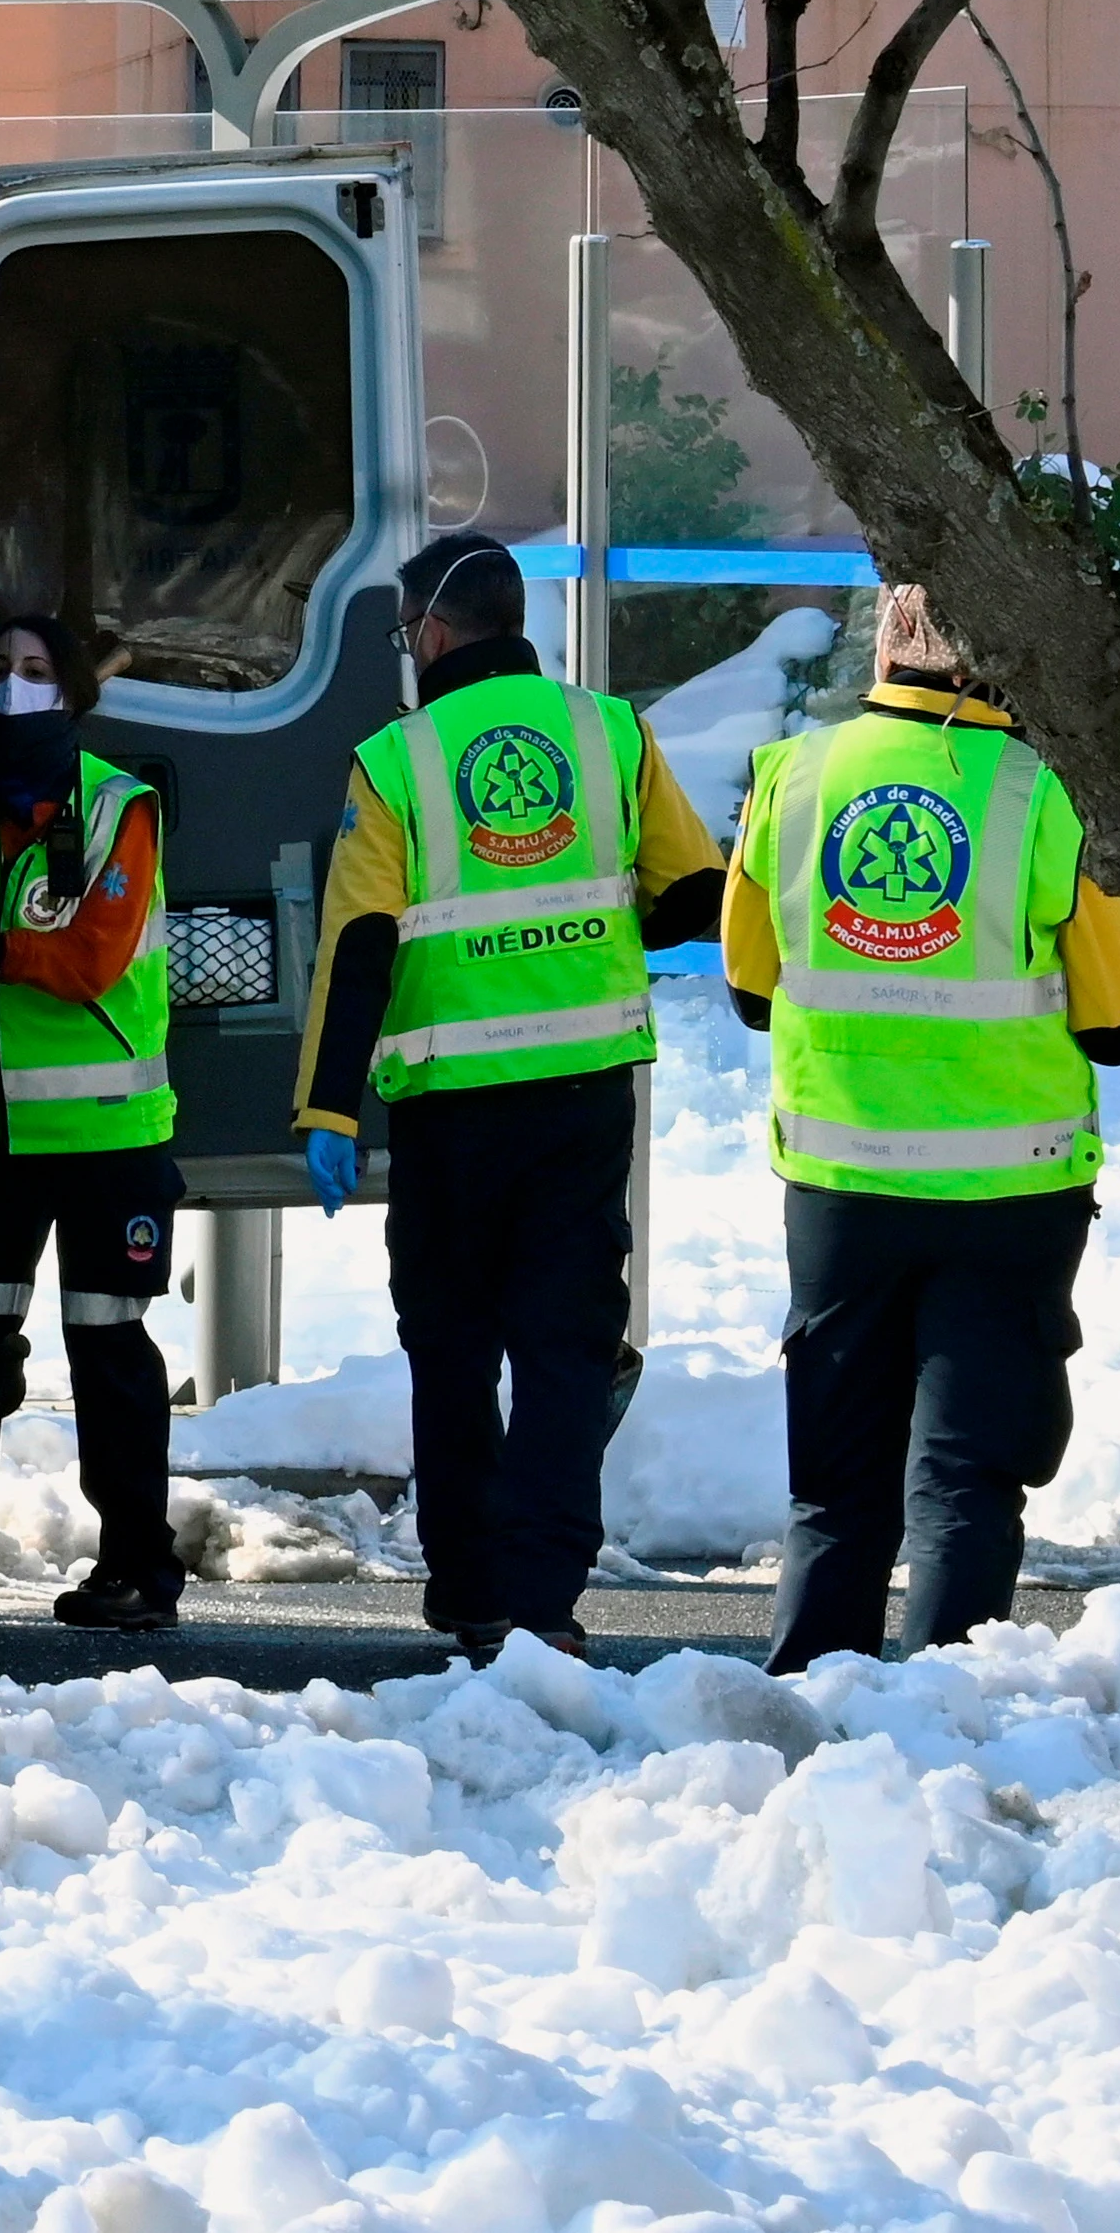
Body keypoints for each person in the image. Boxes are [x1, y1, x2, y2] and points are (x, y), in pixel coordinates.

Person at [290, 533, 727, 1661]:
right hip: (583, 1095)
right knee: (565, 1348)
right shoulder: (609, 731)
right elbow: (690, 893)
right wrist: (581, 917)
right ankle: (545, 1597)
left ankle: (472, 1591)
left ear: (430, 633)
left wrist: (328, 1105)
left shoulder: (395, 760)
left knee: (452, 1348)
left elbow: (360, 943)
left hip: (449, 1108)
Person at [731, 582, 1120, 1673]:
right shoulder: (1044, 796)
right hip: (1007, 1196)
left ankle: (810, 1711)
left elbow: (748, 983)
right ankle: (948, 1716)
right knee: (965, 1483)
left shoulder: (793, 775)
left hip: (839, 1188)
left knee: (835, 1485)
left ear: (884, 647)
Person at [0, 613, 187, 1635]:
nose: (10, 687)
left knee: (109, 1358)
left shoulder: (117, 808)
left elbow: (93, 954)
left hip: (111, 1140)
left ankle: (137, 1573)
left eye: (31, 671)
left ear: (70, 695)